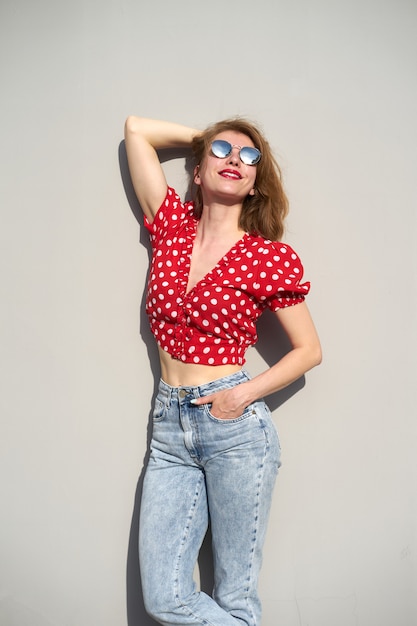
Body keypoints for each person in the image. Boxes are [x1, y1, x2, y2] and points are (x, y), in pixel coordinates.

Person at [124, 115, 322, 626]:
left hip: (234, 427)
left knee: (235, 595)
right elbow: (136, 131)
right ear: (196, 170)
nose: (236, 160)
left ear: (257, 182)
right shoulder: (170, 228)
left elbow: (308, 351)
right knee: (165, 598)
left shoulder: (266, 257)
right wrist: (209, 139)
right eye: (222, 153)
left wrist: (244, 395)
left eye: (249, 157)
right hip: (168, 426)